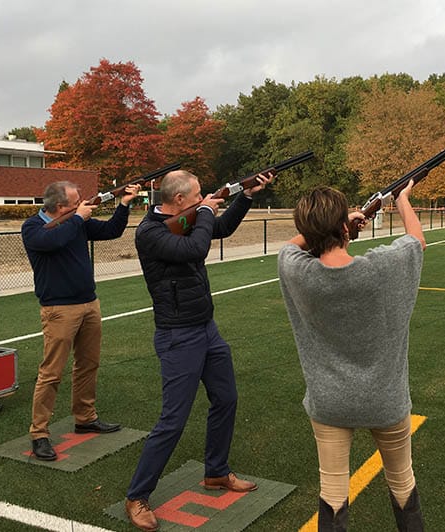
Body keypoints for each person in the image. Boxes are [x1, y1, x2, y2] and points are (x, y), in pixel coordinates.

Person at [124, 169, 273, 532]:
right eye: (197, 196)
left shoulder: (187, 220)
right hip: (178, 335)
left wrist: (246, 196)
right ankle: (137, 495)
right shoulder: (150, 232)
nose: (202, 199)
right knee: (172, 420)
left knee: (226, 399)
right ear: (179, 200)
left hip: (206, 328)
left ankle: (216, 471)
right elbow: (196, 248)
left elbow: (221, 229)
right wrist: (206, 210)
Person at [277, 182, 426, 531]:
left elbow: (291, 246)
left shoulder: (296, 269)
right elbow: (416, 241)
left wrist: (328, 229)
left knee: (332, 492)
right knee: (402, 482)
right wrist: (402, 199)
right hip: (386, 401)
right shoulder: (381, 267)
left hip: (329, 403)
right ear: (345, 228)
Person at [21, 180, 141, 461]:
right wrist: (78, 218)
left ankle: (85, 417)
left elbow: (111, 231)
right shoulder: (33, 227)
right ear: (60, 206)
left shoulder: (77, 221)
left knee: (88, 364)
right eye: (75, 202)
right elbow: (52, 242)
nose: (81, 205)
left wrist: (123, 204)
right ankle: (39, 433)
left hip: (89, 303)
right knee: (51, 373)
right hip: (58, 309)